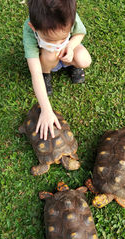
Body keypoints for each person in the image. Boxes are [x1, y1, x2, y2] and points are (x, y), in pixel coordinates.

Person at [23, 0, 92, 140]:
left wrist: (70, 46)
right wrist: (46, 110)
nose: (57, 45)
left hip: (69, 52)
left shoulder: (68, 17)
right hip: (47, 59)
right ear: (33, 27)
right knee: (49, 54)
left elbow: (80, 34)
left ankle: (74, 66)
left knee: (84, 59)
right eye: (50, 39)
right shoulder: (30, 30)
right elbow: (35, 73)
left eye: (61, 38)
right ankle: (47, 74)